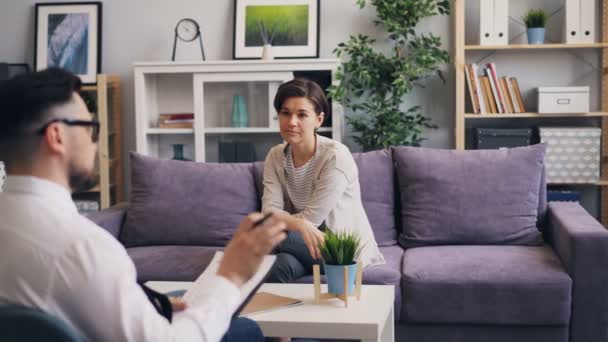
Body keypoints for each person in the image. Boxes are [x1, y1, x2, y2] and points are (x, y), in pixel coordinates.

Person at [0, 68, 288, 342]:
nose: (94, 143)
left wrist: (145, 306)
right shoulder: (81, 246)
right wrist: (231, 274)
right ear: (56, 136)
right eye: (91, 128)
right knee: (245, 331)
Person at [262, 79, 385, 283]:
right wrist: (298, 225)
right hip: (301, 242)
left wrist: (294, 224)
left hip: (340, 249)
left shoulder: (335, 156)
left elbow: (310, 219)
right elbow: (269, 211)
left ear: (318, 120)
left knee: (271, 235)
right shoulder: (275, 156)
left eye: (302, 115)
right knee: (280, 265)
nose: (292, 122)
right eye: (286, 113)